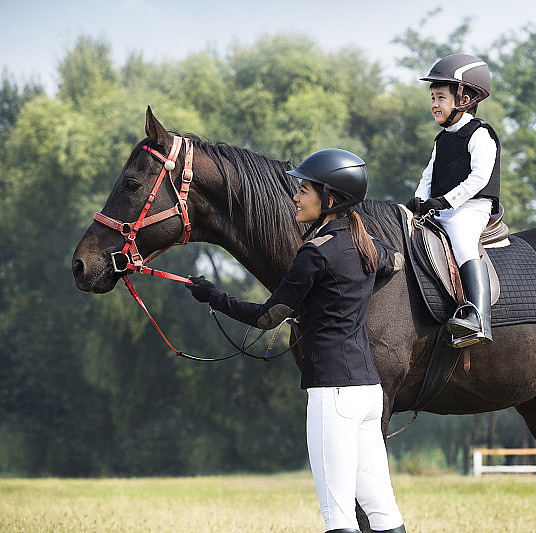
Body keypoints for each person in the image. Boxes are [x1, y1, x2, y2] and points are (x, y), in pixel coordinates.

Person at [185, 149, 406, 533]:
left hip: (333, 394)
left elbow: (268, 316)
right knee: (382, 509)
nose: (296, 198)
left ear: (330, 200)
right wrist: (338, 304)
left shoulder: (314, 253)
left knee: (337, 513)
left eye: (304, 190)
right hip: (368, 391)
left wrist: (213, 297)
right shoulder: (369, 245)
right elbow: (396, 263)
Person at [406, 53, 500, 348]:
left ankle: (479, 317)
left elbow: (479, 178)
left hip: (471, 208)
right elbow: (428, 175)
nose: (434, 104)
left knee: (461, 240)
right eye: (432, 98)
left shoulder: (480, 134)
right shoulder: (442, 138)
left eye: (440, 97)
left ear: (464, 98)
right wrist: (419, 200)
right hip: (442, 207)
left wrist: (446, 202)